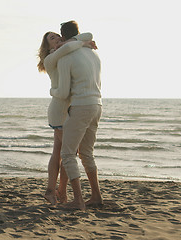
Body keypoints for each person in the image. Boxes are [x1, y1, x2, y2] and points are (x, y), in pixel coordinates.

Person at [37, 30, 97, 205]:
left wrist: (81, 42)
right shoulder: (52, 57)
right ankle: (59, 192)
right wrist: (84, 44)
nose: (57, 38)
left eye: (57, 36)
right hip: (59, 108)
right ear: (47, 46)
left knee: (60, 152)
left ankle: (53, 191)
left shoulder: (65, 51)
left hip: (66, 108)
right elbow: (82, 41)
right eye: (51, 38)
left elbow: (87, 34)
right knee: (68, 153)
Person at [52, 20, 103, 210]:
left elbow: (63, 92)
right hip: (97, 104)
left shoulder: (66, 56)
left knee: (67, 154)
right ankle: (96, 196)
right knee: (87, 153)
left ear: (63, 36)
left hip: (81, 105)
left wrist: (52, 90)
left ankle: (78, 201)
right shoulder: (92, 52)